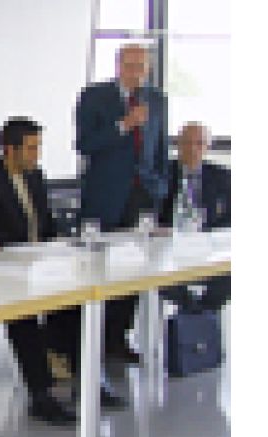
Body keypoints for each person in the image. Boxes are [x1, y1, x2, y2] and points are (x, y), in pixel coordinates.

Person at [0, 118, 126, 423]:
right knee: (24, 318)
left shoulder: (36, 176)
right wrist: (29, 255)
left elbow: (46, 225)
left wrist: (61, 246)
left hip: (41, 264)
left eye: (38, 147)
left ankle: (87, 381)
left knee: (77, 305)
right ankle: (40, 394)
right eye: (31, 148)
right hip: (6, 269)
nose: (37, 154)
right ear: (9, 150)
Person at [75, 44, 170, 363]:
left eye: (141, 67)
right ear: (118, 66)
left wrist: (160, 187)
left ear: (148, 69)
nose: (135, 73)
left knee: (134, 269)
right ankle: (92, 344)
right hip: (106, 196)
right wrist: (123, 125)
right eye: (129, 66)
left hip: (143, 195)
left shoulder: (157, 99)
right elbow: (84, 144)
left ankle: (119, 338)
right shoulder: (94, 96)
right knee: (100, 270)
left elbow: (160, 147)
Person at [159, 122, 231, 312]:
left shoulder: (222, 176)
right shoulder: (162, 174)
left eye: (199, 143)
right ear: (178, 145)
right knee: (162, 276)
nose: (192, 149)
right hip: (170, 248)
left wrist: (211, 238)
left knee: (228, 276)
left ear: (207, 147)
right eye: (187, 143)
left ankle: (203, 313)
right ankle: (190, 312)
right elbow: (151, 213)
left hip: (208, 248)